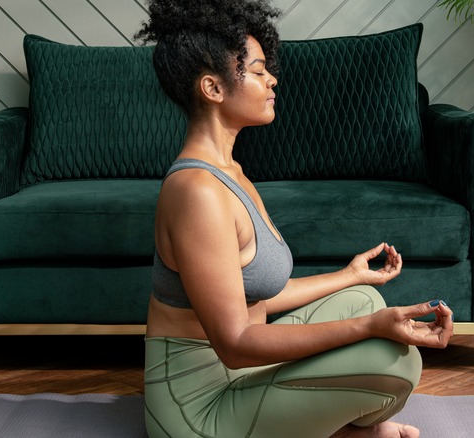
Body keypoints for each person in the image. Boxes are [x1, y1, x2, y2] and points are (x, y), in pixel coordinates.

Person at [135, 1, 454, 436]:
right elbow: (235, 344)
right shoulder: (198, 193)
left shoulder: (232, 174)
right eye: (259, 70)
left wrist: (349, 275)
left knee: (362, 300)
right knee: (392, 360)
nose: (273, 80)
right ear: (212, 87)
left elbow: (257, 298)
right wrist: (368, 329)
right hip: (196, 410)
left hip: (239, 379)